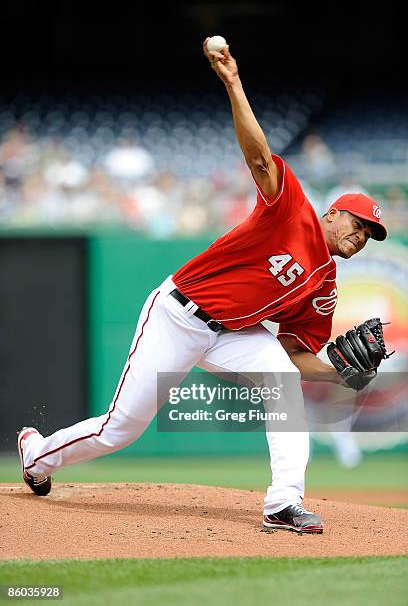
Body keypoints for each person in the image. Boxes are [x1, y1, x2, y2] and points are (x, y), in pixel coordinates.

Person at [17, 39, 387, 534]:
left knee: (283, 383)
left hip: (235, 334)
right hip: (177, 315)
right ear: (333, 212)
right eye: (357, 225)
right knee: (122, 427)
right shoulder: (291, 207)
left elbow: (296, 354)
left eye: (368, 234)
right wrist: (233, 82)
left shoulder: (325, 288)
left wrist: (339, 376)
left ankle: (283, 504)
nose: (359, 237)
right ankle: (37, 455)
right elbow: (258, 155)